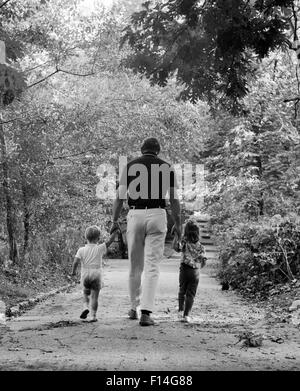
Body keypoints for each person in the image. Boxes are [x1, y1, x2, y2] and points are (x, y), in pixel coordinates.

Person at [111, 137, 181, 326]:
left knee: (135, 266)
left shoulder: (130, 166)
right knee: (152, 266)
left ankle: (134, 308)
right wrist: (178, 223)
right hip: (157, 215)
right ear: (158, 151)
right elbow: (174, 200)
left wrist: (114, 220)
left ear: (141, 150)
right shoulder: (166, 168)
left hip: (135, 215)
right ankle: (146, 313)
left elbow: (119, 198)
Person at [71, 225, 118, 322]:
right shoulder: (100, 248)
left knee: (85, 294)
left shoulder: (81, 250)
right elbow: (110, 241)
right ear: (98, 238)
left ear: (86, 237)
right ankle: (93, 316)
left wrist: (73, 272)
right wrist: (115, 231)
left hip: (85, 274)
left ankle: (85, 307)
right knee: (95, 297)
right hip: (96, 274)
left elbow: (75, 262)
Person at [173, 219, 207, 323]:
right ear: (198, 232)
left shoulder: (184, 242)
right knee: (191, 294)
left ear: (186, 231)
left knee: (182, 290)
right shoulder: (201, 246)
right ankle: (186, 315)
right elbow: (203, 261)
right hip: (195, 271)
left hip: (184, 269)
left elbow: (176, 248)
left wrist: (176, 236)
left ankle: (180, 310)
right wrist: (199, 267)